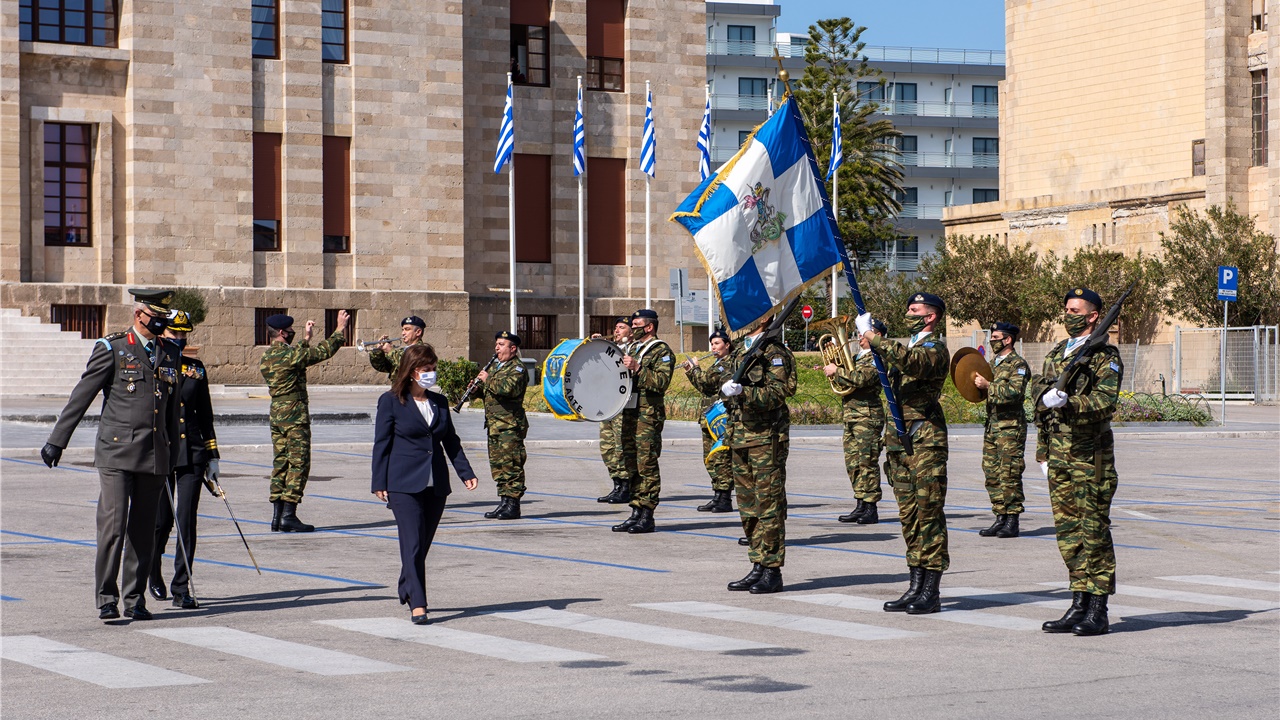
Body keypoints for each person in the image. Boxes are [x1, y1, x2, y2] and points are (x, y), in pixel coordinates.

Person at [41, 288, 180, 621]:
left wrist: (173, 455)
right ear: (139, 315)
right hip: (117, 452)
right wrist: (57, 440)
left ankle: (134, 598)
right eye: (155, 318)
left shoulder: (170, 352)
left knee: (143, 531)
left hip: (154, 455)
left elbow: (172, 411)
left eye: (164, 319)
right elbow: (82, 396)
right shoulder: (113, 349)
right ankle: (106, 596)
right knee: (114, 527)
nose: (160, 324)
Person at [1030, 287, 1123, 637]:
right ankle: (1078, 602)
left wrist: (1068, 402)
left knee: (1093, 531)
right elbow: (1038, 397)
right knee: (1069, 534)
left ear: (1093, 316)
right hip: (1059, 455)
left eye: (1075, 309)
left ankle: (1098, 608)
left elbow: (1104, 400)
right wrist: (1042, 450)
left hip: (1090, 456)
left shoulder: (1104, 355)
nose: (1068, 314)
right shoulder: (1057, 351)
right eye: (1066, 307)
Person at [372, 344, 478, 625]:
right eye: (426, 369)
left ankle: (407, 584)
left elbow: (450, 441)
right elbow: (381, 444)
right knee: (414, 543)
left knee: (421, 545)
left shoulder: (439, 402)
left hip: (436, 485)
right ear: (411, 372)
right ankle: (418, 603)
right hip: (402, 483)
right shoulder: (391, 401)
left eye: (433, 369)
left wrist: (465, 472)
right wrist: (378, 481)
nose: (431, 374)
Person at [860, 292, 950, 615]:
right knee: (909, 517)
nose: (908, 313)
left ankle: (932, 590)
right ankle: (915, 585)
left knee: (929, 516)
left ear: (931, 317)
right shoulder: (908, 346)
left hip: (925, 441)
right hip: (899, 443)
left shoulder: (935, 348)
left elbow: (914, 364)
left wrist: (877, 340)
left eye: (915, 309)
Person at [148, 310, 221, 610]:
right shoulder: (153, 365)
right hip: (162, 452)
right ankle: (153, 568)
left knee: (186, 521)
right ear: (162, 334)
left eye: (183, 335)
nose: (179, 339)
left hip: (192, 453)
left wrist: (213, 455)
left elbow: (205, 414)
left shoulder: (196, 369)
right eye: (173, 334)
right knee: (162, 521)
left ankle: (182, 587)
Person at [721, 316, 796, 594]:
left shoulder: (774, 352)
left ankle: (772, 570)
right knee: (748, 506)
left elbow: (779, 393)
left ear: (764, 316)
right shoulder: (742, 349)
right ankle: (757, 563)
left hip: (766, 438)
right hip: (739, 437)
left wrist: (744, 392)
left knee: (769, 505)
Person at [259, 311, 348, 532]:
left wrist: (306, 338)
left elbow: (296, 356)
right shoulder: (290, 357)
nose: (292, 333)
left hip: (277, 415)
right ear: (282, 333)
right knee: (299, 463)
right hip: (294, 416)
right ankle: (289, 514)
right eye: (290, 331)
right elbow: (322, 352)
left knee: (281, 462)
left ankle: (277, 517)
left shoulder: (267, 357)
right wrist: (339, 329)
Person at [612, 309, 674, 534]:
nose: (632, 327)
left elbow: (661, 382)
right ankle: (635, 511)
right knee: (631, 463)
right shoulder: (631, 349)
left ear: (649, 327)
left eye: (637, 324)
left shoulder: (661, 350)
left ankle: (647, 514)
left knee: (646, 464)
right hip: (629, 412)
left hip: (648, 415)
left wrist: (638, 368)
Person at [824, 318, 887, 525]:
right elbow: (847, 374)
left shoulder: (878, 357)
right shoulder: (858, 357)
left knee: (867, 461)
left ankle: (871, 506)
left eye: (865, 333)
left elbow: (861, 379)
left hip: (867, 416)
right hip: (851, 415)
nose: (860, 336)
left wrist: (838, 371)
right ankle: (860, 502)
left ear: (876, 335)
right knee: (853, 463)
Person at [972, 321, 1030, 539]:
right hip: (992, 426)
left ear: (1008, 340)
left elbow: (1015, 392)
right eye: (992, 338)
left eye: (996, 338)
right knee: (992, 473)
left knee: (1009, 473)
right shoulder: (992, 364)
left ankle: (1012, 519)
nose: (992, 341)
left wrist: (989, 386)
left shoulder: (1018, 364)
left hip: (1010, 428)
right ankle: (1000, 516)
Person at [476, 330, 529, 520]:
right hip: (495, 425)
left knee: (511, 465)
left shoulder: (518, 369)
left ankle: (513, 505)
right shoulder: (498, 367)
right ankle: (504, 501)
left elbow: (508, 389)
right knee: (499, 466)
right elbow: (489, 392)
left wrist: (487, 379)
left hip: (509, 426)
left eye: (501, 344)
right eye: (496, 344)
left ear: (512, 348)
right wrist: (475, 389)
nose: (496, 348)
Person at [683, 327, 735, 513]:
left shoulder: (726, 364)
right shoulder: (717, 363)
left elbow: (705, 383)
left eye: (717, 344)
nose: (713, 348)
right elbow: (704, 388)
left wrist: (694, 369)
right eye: (712, 344)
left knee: (721, 458)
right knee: (711, 459)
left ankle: (724, 498)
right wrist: (692, 371)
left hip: (720, 419)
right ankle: (717, 495)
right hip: (709, 417)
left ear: (727, 345)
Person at [597, 317, 637, 504]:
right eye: (616, 327)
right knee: (608, 447)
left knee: (621, 447)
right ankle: (617, 484)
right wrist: (597, 346)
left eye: (622, 327)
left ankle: (626, 486)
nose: (617, 330)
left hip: (623, 405)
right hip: (608, 404)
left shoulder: (635, 349)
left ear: (631, 331)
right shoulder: (610, 347)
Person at [368, 315, 426, 382]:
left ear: (418, 332)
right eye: (403, 330)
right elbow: (382, 367)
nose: (403, 333)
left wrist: (390, 351)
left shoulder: (422, 351)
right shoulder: (401, 351)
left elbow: (406, 366)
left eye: (407, 329)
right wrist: (378, 351)